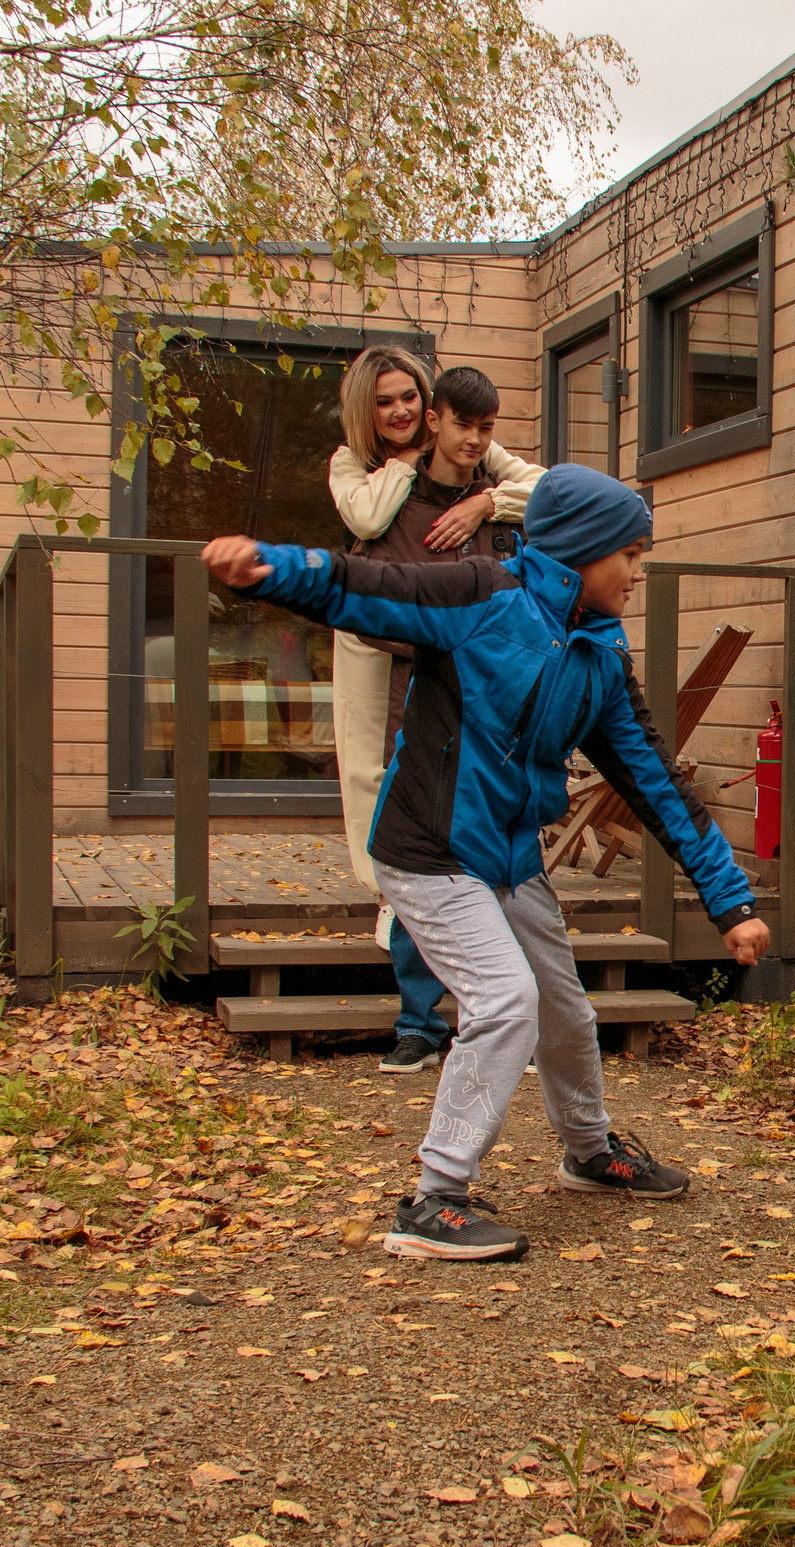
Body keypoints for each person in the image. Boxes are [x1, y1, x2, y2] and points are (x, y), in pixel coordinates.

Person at [201, 464, 770, 1261]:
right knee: (505, 1000)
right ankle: (433, 1199)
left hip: (509, 859)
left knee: (563, 1008)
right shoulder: (480, 596)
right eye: (630, 555)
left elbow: (656, 782)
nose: (639, 573)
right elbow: (369, 585)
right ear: (579, 552)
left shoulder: (600, 656)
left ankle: (588, 1150)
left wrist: (731, 902)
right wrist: (275, 569)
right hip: (430, 853)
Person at [326, 350, 548, 1073]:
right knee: (414, 844)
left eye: (409, 399)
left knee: (479, 848)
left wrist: (486, 503)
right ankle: (418, 1018)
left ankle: (493, 1010)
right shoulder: (373, 484)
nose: (400, 412)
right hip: (401, 686)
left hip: (481, 702)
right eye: (386, 402)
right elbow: (371, 588)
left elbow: (544, 495)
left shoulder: (482, 477)